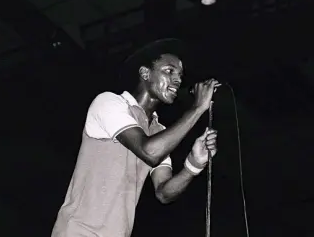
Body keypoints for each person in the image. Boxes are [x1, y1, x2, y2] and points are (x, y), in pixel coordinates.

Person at [51, 38, 220, 237]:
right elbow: (149, 151)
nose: (178, 80)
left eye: (180, 75)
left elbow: (164, 192)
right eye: (169, 71)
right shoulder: (109, 103)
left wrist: (194, 165)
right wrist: (198, 107)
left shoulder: (158, 131)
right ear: (145, 73)